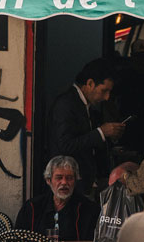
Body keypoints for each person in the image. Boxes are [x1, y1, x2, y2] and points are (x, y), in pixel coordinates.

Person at [48, 58, 125, 197]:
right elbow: (65, 145)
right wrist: (101, 132)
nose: (107, 97)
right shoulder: (66, 104)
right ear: (90, 83)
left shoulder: (88, 107)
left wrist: (109, 135)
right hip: (69, 184)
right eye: (104, 91)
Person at [16, 155, 99, 242]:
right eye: (59, 178)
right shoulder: (32, 208)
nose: (64, 182)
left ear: (75, 180)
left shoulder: (89, 210)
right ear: (48, 180)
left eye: (69, 178)